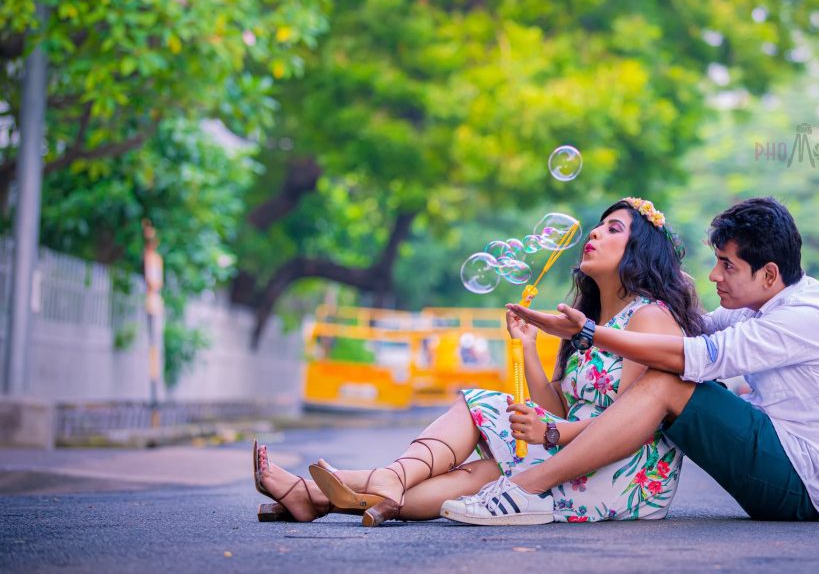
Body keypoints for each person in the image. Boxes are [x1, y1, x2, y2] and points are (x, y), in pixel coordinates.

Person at [252, 198, 706, 525]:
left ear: (641, 251)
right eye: (598, 225)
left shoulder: (648, 317)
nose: (594, 233)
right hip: (572, 454)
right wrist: (528, 348)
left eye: (614, 229)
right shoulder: (586, 324)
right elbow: (562, 410)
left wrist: (552, 432)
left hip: (623, 476)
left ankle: (357, 484)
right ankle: (317, 497)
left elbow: (632, 422)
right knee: (481, 475)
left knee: (482, 405)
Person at [442, 197, 819, 524]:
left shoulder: (806, 316)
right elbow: (696, 329)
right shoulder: (757, 305)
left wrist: (589, 333)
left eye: (727, 266)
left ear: (767, 273)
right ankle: (510, 485)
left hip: (809, 482)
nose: (714, 276)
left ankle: (525, 487)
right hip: (780, 455)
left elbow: (700, 356)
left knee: (670, 381)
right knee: (671, 374)